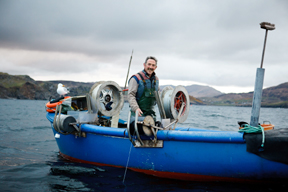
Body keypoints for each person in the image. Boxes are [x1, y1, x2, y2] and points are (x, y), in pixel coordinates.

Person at [128, 56, 159, 122]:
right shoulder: (135, 78)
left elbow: (158, 96)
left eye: (153, 65)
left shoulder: (156, 80)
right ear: (144, 65)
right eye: (149, 64)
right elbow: (131, 95)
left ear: (155, 67)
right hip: (138, 115)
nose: (150, 67)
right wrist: (136, 108)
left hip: (151, 116)